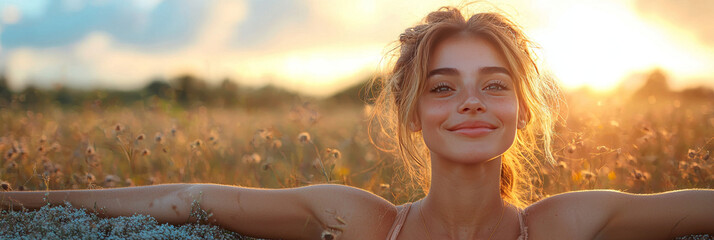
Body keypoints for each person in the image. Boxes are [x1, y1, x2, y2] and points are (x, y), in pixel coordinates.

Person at [2, 6, 713, 240]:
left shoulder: (563, 223)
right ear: (411, 115)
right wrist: (20, 204)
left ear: (520, 112)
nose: (470, 101)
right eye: (443, 87)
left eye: (493, 86)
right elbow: (180, 199)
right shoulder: (368, 222)